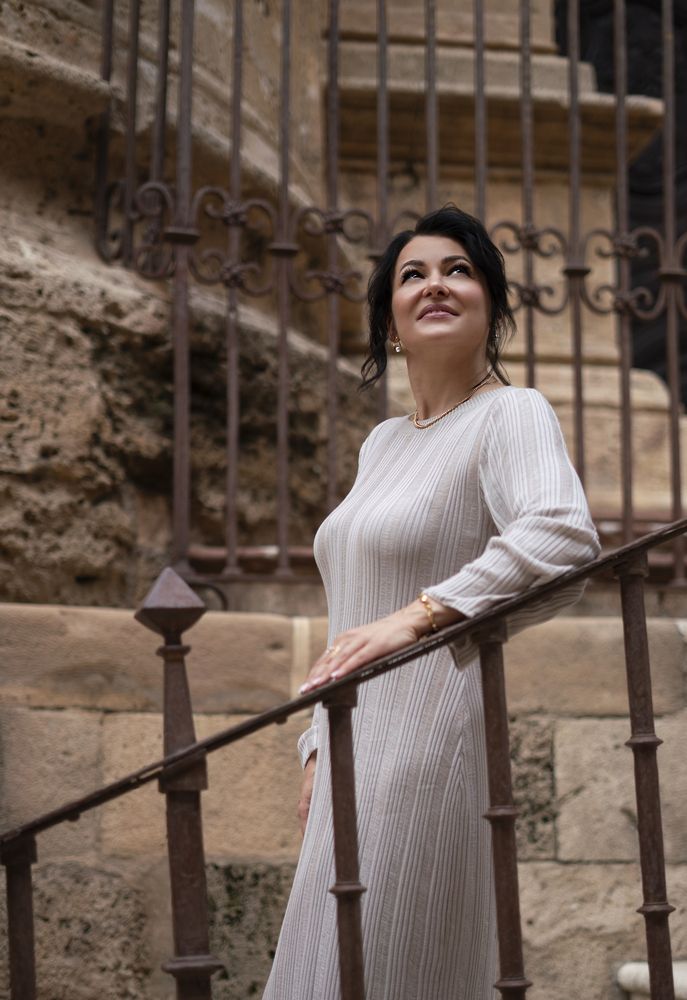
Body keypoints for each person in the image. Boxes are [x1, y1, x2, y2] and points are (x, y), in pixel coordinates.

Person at [261, 206, 599, 999]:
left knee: (384, 966)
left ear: (491, 307)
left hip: (427, 742)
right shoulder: (382, 443)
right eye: (412, 275)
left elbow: (561, 534)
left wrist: (419, 615)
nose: (435, 284)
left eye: (458, 271)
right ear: (389, 322)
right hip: (348, 749)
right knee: (330, 966)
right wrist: (316, 747)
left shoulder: (511, 413)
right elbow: (351, 614)